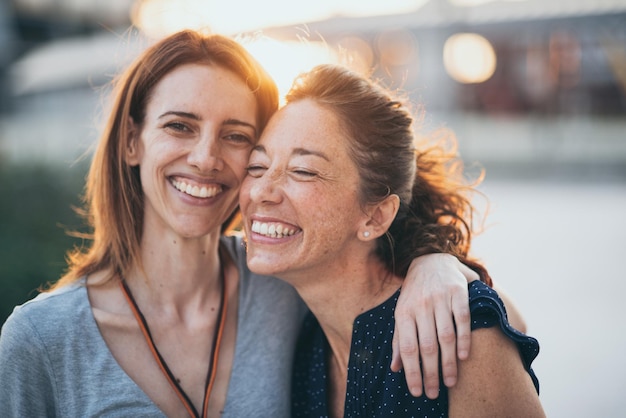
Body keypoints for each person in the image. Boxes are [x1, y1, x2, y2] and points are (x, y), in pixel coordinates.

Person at [0, 30, 482, 417]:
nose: (206, 158)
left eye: (236, 136)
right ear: (132, 141)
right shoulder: (41, 340)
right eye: (179, 126)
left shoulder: (282, 282)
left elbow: (502, 333)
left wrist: (436, 266)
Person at [240, 64, 545, 417]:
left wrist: (453, 273)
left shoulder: (458, 332)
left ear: (376, 216)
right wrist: (441, 260)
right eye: (257, 166)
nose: (262, 190)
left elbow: (505, 322)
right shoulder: (300, 333)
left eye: (303, 171)